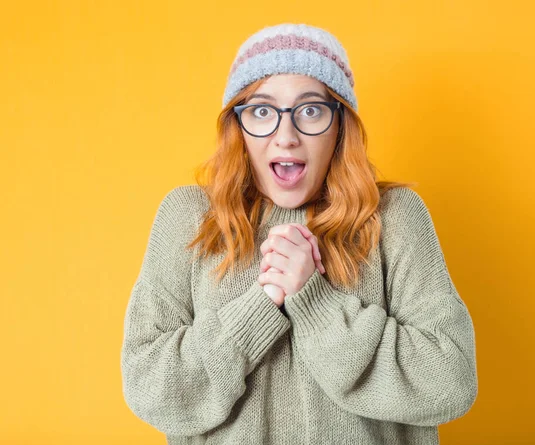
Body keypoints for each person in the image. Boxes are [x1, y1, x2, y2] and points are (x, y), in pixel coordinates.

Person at [120, 23, 478, 445]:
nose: (285, 137)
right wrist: (258, 309)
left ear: (339, 125)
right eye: (262, 111)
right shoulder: (190, 217)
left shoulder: (394, 217)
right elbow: (149, 387)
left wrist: (315, 301)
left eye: (310, 110)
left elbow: (451, 382)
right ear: (238, 126)